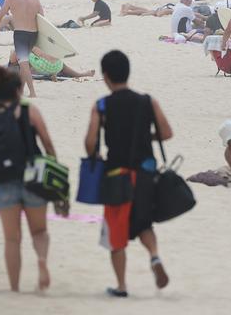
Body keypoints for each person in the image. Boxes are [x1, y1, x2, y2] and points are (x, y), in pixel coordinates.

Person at [83, 50, 173, 297]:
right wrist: (147, 136)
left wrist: (96, 153)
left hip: (117, 174)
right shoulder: (147, 101)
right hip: (145, 171)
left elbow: (90, 143)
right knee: (143, 222)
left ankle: (122, 286)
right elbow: (166, 133)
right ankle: (154, 257)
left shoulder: (102, 105)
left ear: (106, 76)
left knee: (116, 233)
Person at [0, 67, 63, 292]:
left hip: (4, 181)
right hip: (34, 176)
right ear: (17, 90)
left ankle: (14, 288)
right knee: (39, 231)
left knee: (12, 239)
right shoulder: (29, 111)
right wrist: (54, 175)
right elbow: (48, 144)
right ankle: (42, 262)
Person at [0, 0, 43, 98]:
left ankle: (32, 92)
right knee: (24, 63)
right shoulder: (36, 0)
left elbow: (0, 14)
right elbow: (42, 18)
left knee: (24, 63)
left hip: (21, 34)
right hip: (33, 34)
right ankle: (20, 90)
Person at [8, 46, 94, 79]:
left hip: (44, 67)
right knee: (62, 65)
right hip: (57, 66)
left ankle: (13, 69)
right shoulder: (42, 41)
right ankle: (80, 74)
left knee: (17, 51)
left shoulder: (29, 43)